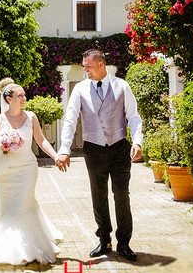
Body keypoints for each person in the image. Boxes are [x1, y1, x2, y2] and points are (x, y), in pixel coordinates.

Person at [55, 49, 143, 261]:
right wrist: (64, 148)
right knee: (98, 195)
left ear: (101, 64)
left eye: (88, 66)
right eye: (84, 66)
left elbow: (133, 116)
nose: (85, 70)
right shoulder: (80, 89)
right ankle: (104, 239)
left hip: (119, 146)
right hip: (93, 149)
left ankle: (124, 242)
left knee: (122, 194)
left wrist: (138, 141)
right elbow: (70, 118)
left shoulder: (122, 86)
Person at [0, 78, 63, 266]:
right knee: (11, 208)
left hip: (27, 169)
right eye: (20, 96)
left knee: (22, 206)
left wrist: (55, 156)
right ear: (9, 99)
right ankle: (13, 247)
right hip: (6, 172)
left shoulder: (31, 117)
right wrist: (3, 142)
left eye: (24, 95)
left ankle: (25, 250)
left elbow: (41, 140)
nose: (24, 98)